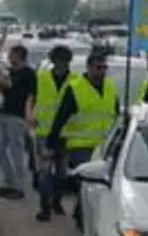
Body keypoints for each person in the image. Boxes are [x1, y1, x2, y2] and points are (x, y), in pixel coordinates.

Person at [45, 52, 119, 224]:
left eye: (104, 68)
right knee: (87, 181)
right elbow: (61, 116)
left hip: (104, 145)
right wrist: (52, 141)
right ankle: (81, 215)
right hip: (81, 144)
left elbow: (115, 115)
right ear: (89, 67)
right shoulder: (75, 88)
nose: (102, 72)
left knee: (100, 184)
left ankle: (82, 212)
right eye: (98, 68)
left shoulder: (110, 87)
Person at [32, 45, 76, 220]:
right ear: (52, 61)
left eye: (63, 61)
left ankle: (56, 201)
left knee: (61, 173)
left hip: (66, 133)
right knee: (44, 172)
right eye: (57, 60)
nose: (60, 64)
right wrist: (30, 113)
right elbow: (32, 96)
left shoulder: (75, 80)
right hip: (44, 131)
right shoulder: (41, 77)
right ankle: (44, 208)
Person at [0, 43, 37, 199]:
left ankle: (19, 187)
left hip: (17, 116)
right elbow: (6, 89)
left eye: (11, 55)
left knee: (16, 152)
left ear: (19, 56)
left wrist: (29, 116)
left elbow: (31, 95)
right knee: (1, 151)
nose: (9, 57)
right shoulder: (11, 72)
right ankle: (9, 181)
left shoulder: (28, 74)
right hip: (4, 114)